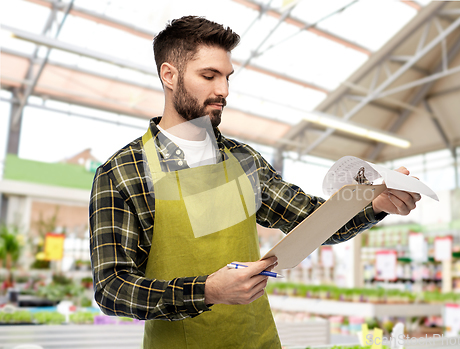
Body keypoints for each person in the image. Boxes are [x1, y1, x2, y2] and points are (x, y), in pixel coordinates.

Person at [89, 15, 421, 348]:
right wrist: (207, 291)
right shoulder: (122, 173)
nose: (224, 91)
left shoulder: (244, 162)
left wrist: (375, 205)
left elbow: (314, 222)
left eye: (227, 77)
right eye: (209, 76)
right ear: (169, 75)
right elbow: (112, 288)